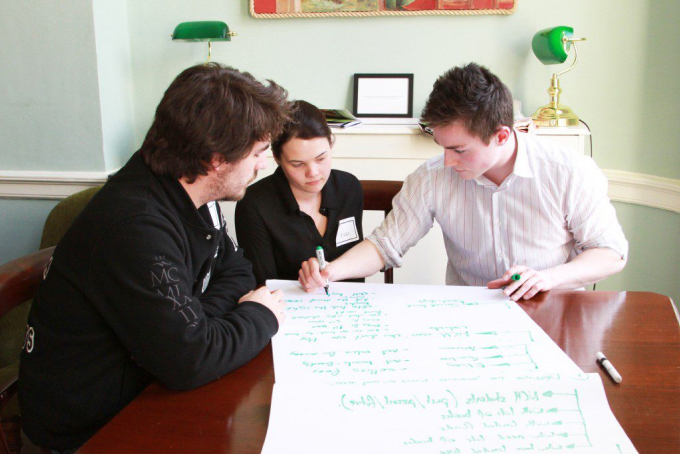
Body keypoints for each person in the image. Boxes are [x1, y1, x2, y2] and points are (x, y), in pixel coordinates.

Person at [18, 63, 291, 453]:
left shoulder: (192, 189)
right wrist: (260, 317)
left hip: (145, 392)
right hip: (89, 432)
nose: (263, 165)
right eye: (258, 153)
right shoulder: (135, 225)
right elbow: (191, 361)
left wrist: (196, 320)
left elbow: (236, 269)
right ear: (216, 159)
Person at [299, 63, 628, 301]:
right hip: (468, 316)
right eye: (442, 147)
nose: (447, 161)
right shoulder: (432, 177)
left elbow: (610, 252)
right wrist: (331, 272)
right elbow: (386, 245)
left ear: (501, 136)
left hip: (554, 308)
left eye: (459, 150)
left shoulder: (567, 171)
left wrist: (547, 279)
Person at [235, 100, 364, 286]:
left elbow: (356, 270)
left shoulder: (348, 188)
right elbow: (263, 284)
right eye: (297, 164)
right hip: (286, 308)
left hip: (351, 304)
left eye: (321, 158)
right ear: (278, 159)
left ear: (330, 145)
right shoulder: (255, 204)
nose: (313, 172)